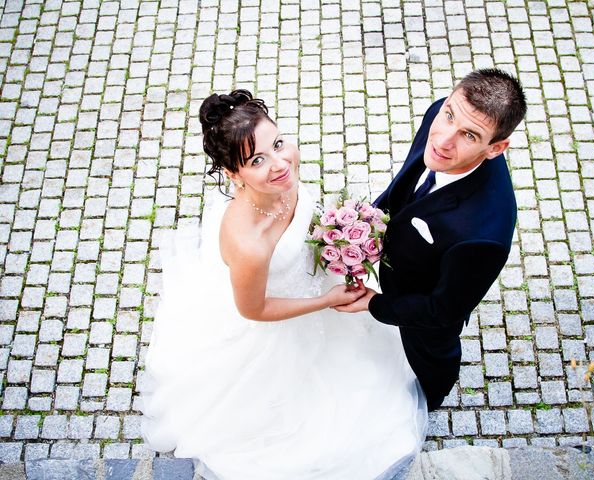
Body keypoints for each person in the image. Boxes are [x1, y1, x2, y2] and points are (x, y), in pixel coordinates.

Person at [140, 90, 428, 479]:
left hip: (317, 289)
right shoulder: (249, 245)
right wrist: (326, 299)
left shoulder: (280, 180)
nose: (280, 164)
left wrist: (338, 237)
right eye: (258, 160)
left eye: (278, 144)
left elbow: (305, 220)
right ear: (233, 174)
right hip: (274, 323)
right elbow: (253, 310)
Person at [336, 69, 527, 411]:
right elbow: (407, 179)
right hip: (402, 263)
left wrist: (373, 303)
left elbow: (443, 310)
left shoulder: (482, 236)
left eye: (469, 135)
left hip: (423, 308)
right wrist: (370, 222)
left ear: (496, 148)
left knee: (433, 352)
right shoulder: (443, 113)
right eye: (449, 115)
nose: (442, 141)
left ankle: (430, 395)